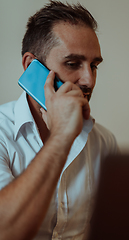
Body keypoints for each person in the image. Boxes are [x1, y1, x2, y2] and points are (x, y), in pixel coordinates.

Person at [0, 1, 119, 240]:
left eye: (94, 66)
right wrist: (63, 136)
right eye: (73, 64)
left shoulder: (104, 142)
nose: (88, 80)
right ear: (30, 67)